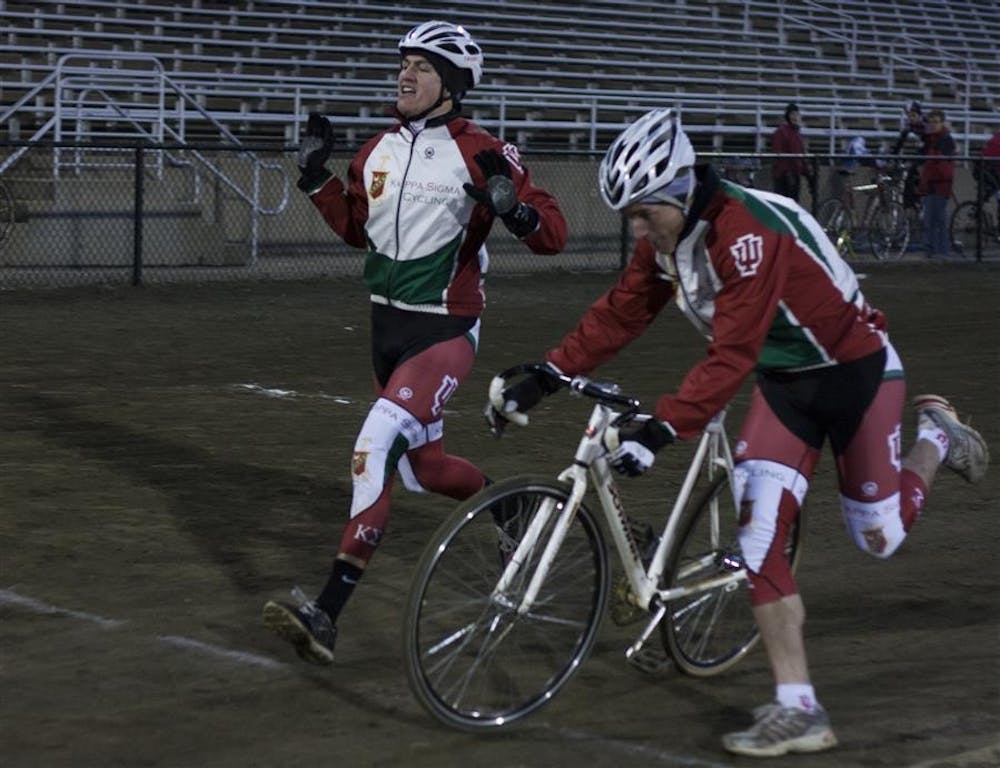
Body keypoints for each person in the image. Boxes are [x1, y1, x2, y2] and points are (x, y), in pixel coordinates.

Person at [485, 107, 989, 758]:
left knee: (880, 536)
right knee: (757, 540)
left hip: (854, 372)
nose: (638, 231)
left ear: (680, 189)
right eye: (630, 218)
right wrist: (547, 374)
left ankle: (937, 437)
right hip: (787, 386)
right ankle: (797, 707)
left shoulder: (748, 234)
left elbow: (732, 353)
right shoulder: (667, 233)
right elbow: (623, 311)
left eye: (644, 214)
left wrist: (661, 431)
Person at [262, 20, 567, 664]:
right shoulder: (374, 149)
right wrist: (317, 178)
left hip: (444, 329)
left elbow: (554, 236)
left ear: (453, 86)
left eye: (422, 67)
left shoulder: (485, 151)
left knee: (373, 449)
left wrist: (513, 208)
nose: (405, 73)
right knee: (423, 468)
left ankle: (326, 612)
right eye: (403, 62)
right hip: (385, 329)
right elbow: (356, 231)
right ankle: (514, 512)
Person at [919, 110, 956, 258]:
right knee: (931, 219)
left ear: (942, 123)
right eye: (931, 122)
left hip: (939, 184)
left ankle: (940, 251)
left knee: (937, 219)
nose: (933, 125)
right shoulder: (931, 139)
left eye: (936, 122)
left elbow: (941, 165)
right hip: (931, 184)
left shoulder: (944, 140)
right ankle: (934, 251)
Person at [770, 102, 813, 204]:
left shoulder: (798, 134)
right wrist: (784, 172)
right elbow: (778, 155)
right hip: (783, 177)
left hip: (795, 174)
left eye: (797, 114)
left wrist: (808, 174)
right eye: (792, 114)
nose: (795, 117)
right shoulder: (781, 132)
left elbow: (801, 156)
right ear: (788, 116)